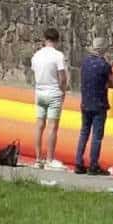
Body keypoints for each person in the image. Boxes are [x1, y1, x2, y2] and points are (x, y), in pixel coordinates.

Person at [74, 37, 113, 175]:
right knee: (97, 136)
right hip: (99, 104)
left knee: (84, 133)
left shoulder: (85, 63)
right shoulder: (104, 65)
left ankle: (78, 162)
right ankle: (93, 165)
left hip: (85, 102)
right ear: (103, 50)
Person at [30, 28, 67, 169]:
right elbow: (62, 77)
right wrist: (63, 92)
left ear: (45, 39)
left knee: (39, 126)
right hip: (53, 92)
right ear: (57, 40)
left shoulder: (37, 55)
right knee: (52, 127)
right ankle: (50, 158)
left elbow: (34, 72)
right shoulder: (58, 56)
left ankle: (38, 158)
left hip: (39, 92)